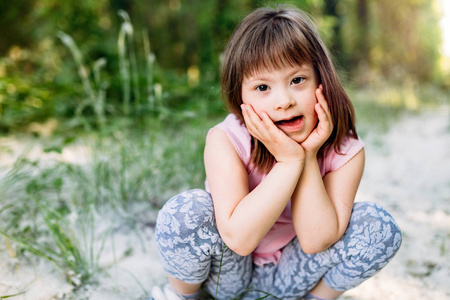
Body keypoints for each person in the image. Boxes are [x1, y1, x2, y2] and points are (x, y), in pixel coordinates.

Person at [152, 5, 402, 300]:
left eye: (297, 80)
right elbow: (239, 240)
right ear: (240, 96)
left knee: (378, 225)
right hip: (229, 275)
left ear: (322, 80)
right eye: (262, 87)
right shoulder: (227, 139)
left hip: (294, 278)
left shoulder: (344, 150)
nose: (283, 101)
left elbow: (314, 241)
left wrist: (307, 157)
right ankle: (184, 297)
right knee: (186, 211)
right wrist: (288, 161)